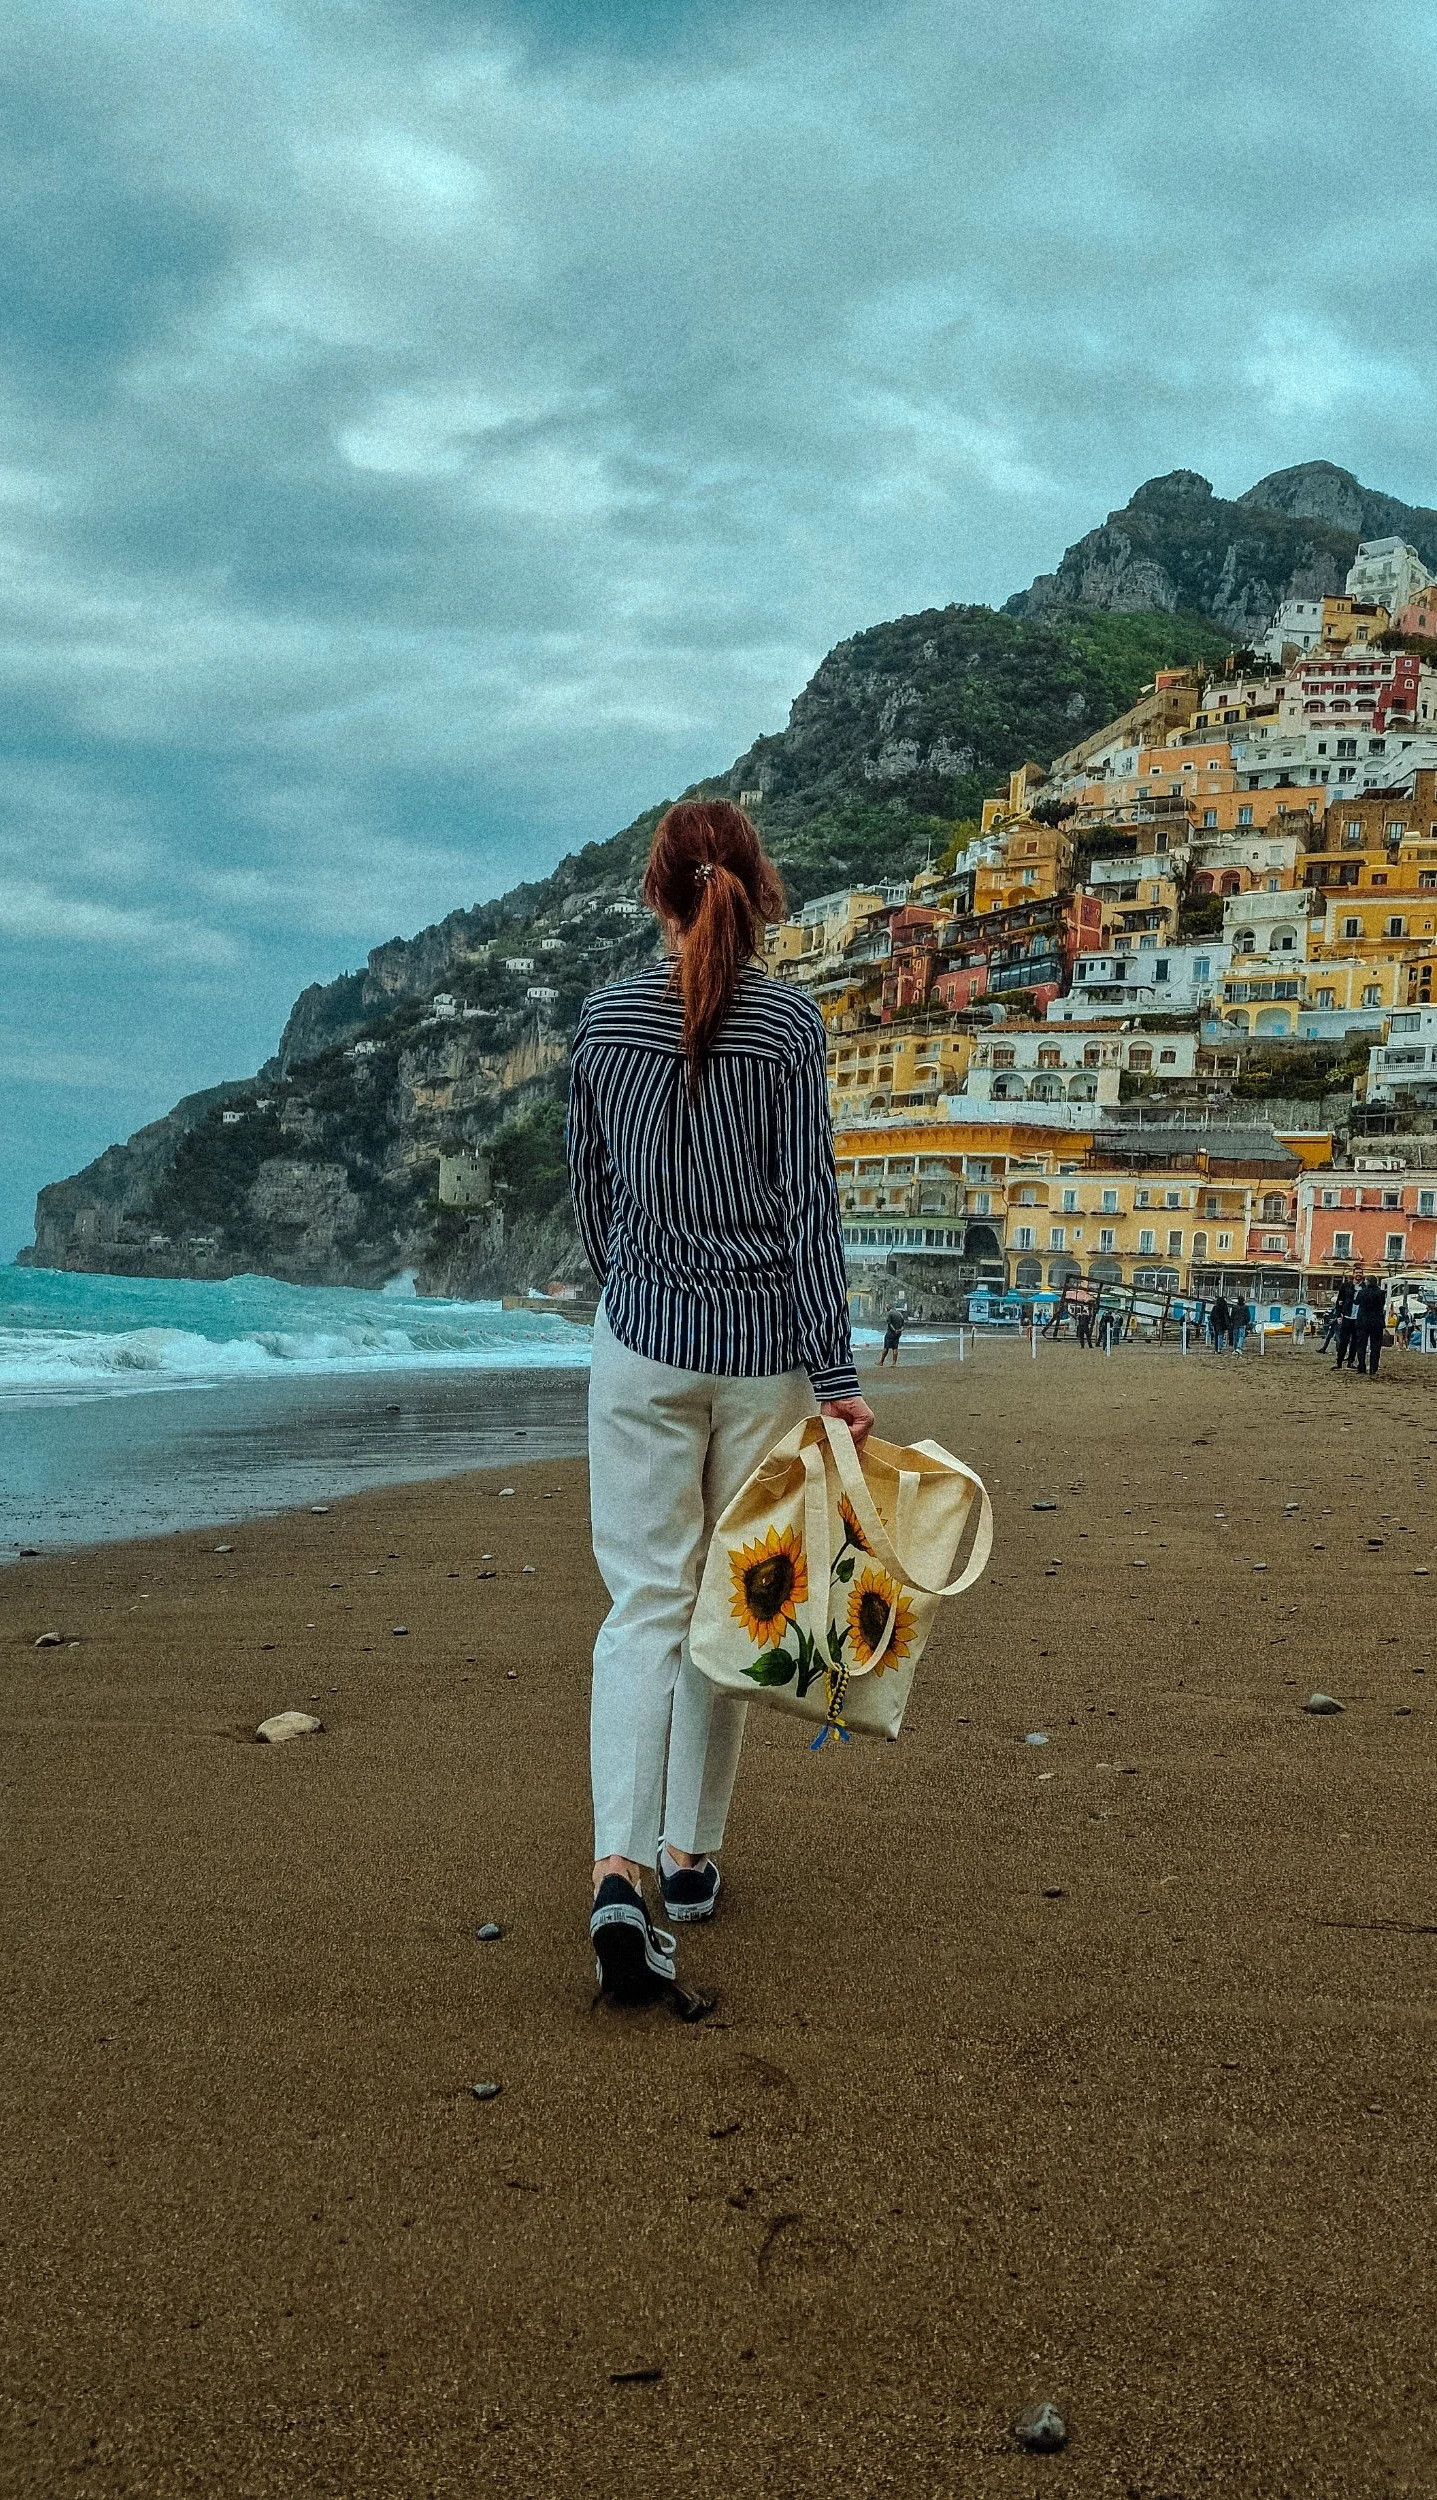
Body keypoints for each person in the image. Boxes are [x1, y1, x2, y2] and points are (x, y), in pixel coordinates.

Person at [568, 799, 874, 2003]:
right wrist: (839, 1383)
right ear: (757, 887)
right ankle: (690, 1858)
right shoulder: (790, 1024)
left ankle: (616, 1872)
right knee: (736, 1603)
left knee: (643, 1604)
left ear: (656, 892)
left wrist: (636, 1282)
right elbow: (811, 1215)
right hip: (763, 1354)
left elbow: (593, 1198)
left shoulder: (600, 1020)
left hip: (641, 1342)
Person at [1351, 1274, 1388, 1377]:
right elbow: (1382, 1304)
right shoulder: (1381, 1293)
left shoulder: (1362, 1292)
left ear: (1367, 1282)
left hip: (1363, 1321)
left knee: (1361, 1345)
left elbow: (1356, 1302)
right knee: (1375, 1346)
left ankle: (1361, 1366)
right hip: (1376, 1322)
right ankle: (1373, 1368)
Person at [1321, 1277, 1355, 1356]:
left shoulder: (1340, 1307)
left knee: (1338, 1338)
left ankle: (1339, 1350)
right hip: (1335, 1323)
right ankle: (1324, 1348)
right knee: (1330, 1337)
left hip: (1337, 1323)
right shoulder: (1337, 1307)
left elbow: (1338, 1314)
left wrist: (1334, 1319)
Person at [878, 1302, 906, 1367]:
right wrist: (899, 1330)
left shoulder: (890, 1314)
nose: (886, 1308)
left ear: (888, 1308)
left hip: (890, 1333)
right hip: (898, 1334)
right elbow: (903, 1326)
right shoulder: (900, 1314)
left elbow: (890, 1324)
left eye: (886, 1307)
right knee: (895, 1348)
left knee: (886, 1347)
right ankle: (894, 1363)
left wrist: (894, 1330)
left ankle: (881, 1362)